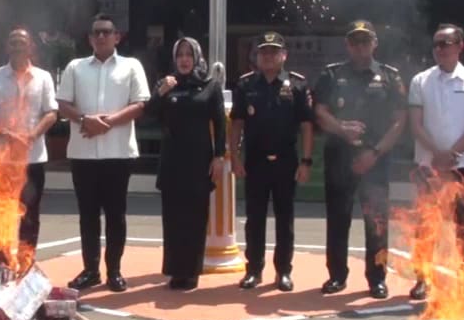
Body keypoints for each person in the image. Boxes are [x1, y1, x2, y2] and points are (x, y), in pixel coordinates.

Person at [57, 12, 151, 293]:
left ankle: (115, 271)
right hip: (83, 153)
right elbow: (63, 104)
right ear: (89, 38)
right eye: (96, 32)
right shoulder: (75, 67)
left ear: (117, 36)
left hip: (118, 153)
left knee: (115, 214)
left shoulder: (131, 66)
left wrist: (105, 123)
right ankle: (90, 270)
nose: (101, 36)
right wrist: (86, 121)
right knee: (87, 215)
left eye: (106, 32)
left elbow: (140, 104)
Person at [314, 20, 407, 300]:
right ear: (347, 45)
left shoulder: (390, 77)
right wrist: (342, 129)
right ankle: (337, 275)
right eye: (355, 41)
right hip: (340, 156)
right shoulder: (331, 75)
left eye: (366, 41)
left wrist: (375, 153)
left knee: (376, 222)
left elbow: (400, 121)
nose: (360, 46)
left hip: (376, 158)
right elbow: (319, 111)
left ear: (375, 44)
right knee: (338, 219)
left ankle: (377, 278)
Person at [407, 25, 464, 300]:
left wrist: (452, 153)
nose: (440, 49)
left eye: (446, 43)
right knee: (425, 223)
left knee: (463, 225)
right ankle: (422, 279)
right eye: (436, 44)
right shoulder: (420, 80)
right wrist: (436, 154)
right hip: (427, 164)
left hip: (462, 164)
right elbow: (416, 124)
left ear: (460, 46)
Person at [229, 32, 313, 291]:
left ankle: (283, 271)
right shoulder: (246, 85)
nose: (268, 56)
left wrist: (306, 161)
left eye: (274, 51)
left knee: (284, 218)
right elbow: (236, 124)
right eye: (263, 51)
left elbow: (307, 126)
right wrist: (234, 156)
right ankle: (254, 269)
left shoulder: (297, 85)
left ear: (283, 55)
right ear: (257, 56)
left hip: (286, 162)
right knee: (254, 218)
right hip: (255, 162)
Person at [146, 37, 227, 290]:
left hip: (199, 161)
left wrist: (219, 156)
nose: (183, 59)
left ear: (196, 57)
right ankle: (174, 270)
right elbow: (150, 114)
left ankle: (191, 271)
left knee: (194, 218)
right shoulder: (166, 84)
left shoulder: (209, 86)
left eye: (188, 54)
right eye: (179, 54)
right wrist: (160, 93)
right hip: (172, 162)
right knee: (173, 219)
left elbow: (220, 123)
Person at [0, 26, 59, 256]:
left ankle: (25, 262)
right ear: (7, 47)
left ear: (31, 47)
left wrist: (31, 136)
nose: (17, 46)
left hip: (32, 158)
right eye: (13, 42)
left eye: (22, 42)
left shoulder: (43, 78)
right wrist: (7, 135)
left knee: (30, 213)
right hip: (1, 160)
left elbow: (51, 113)